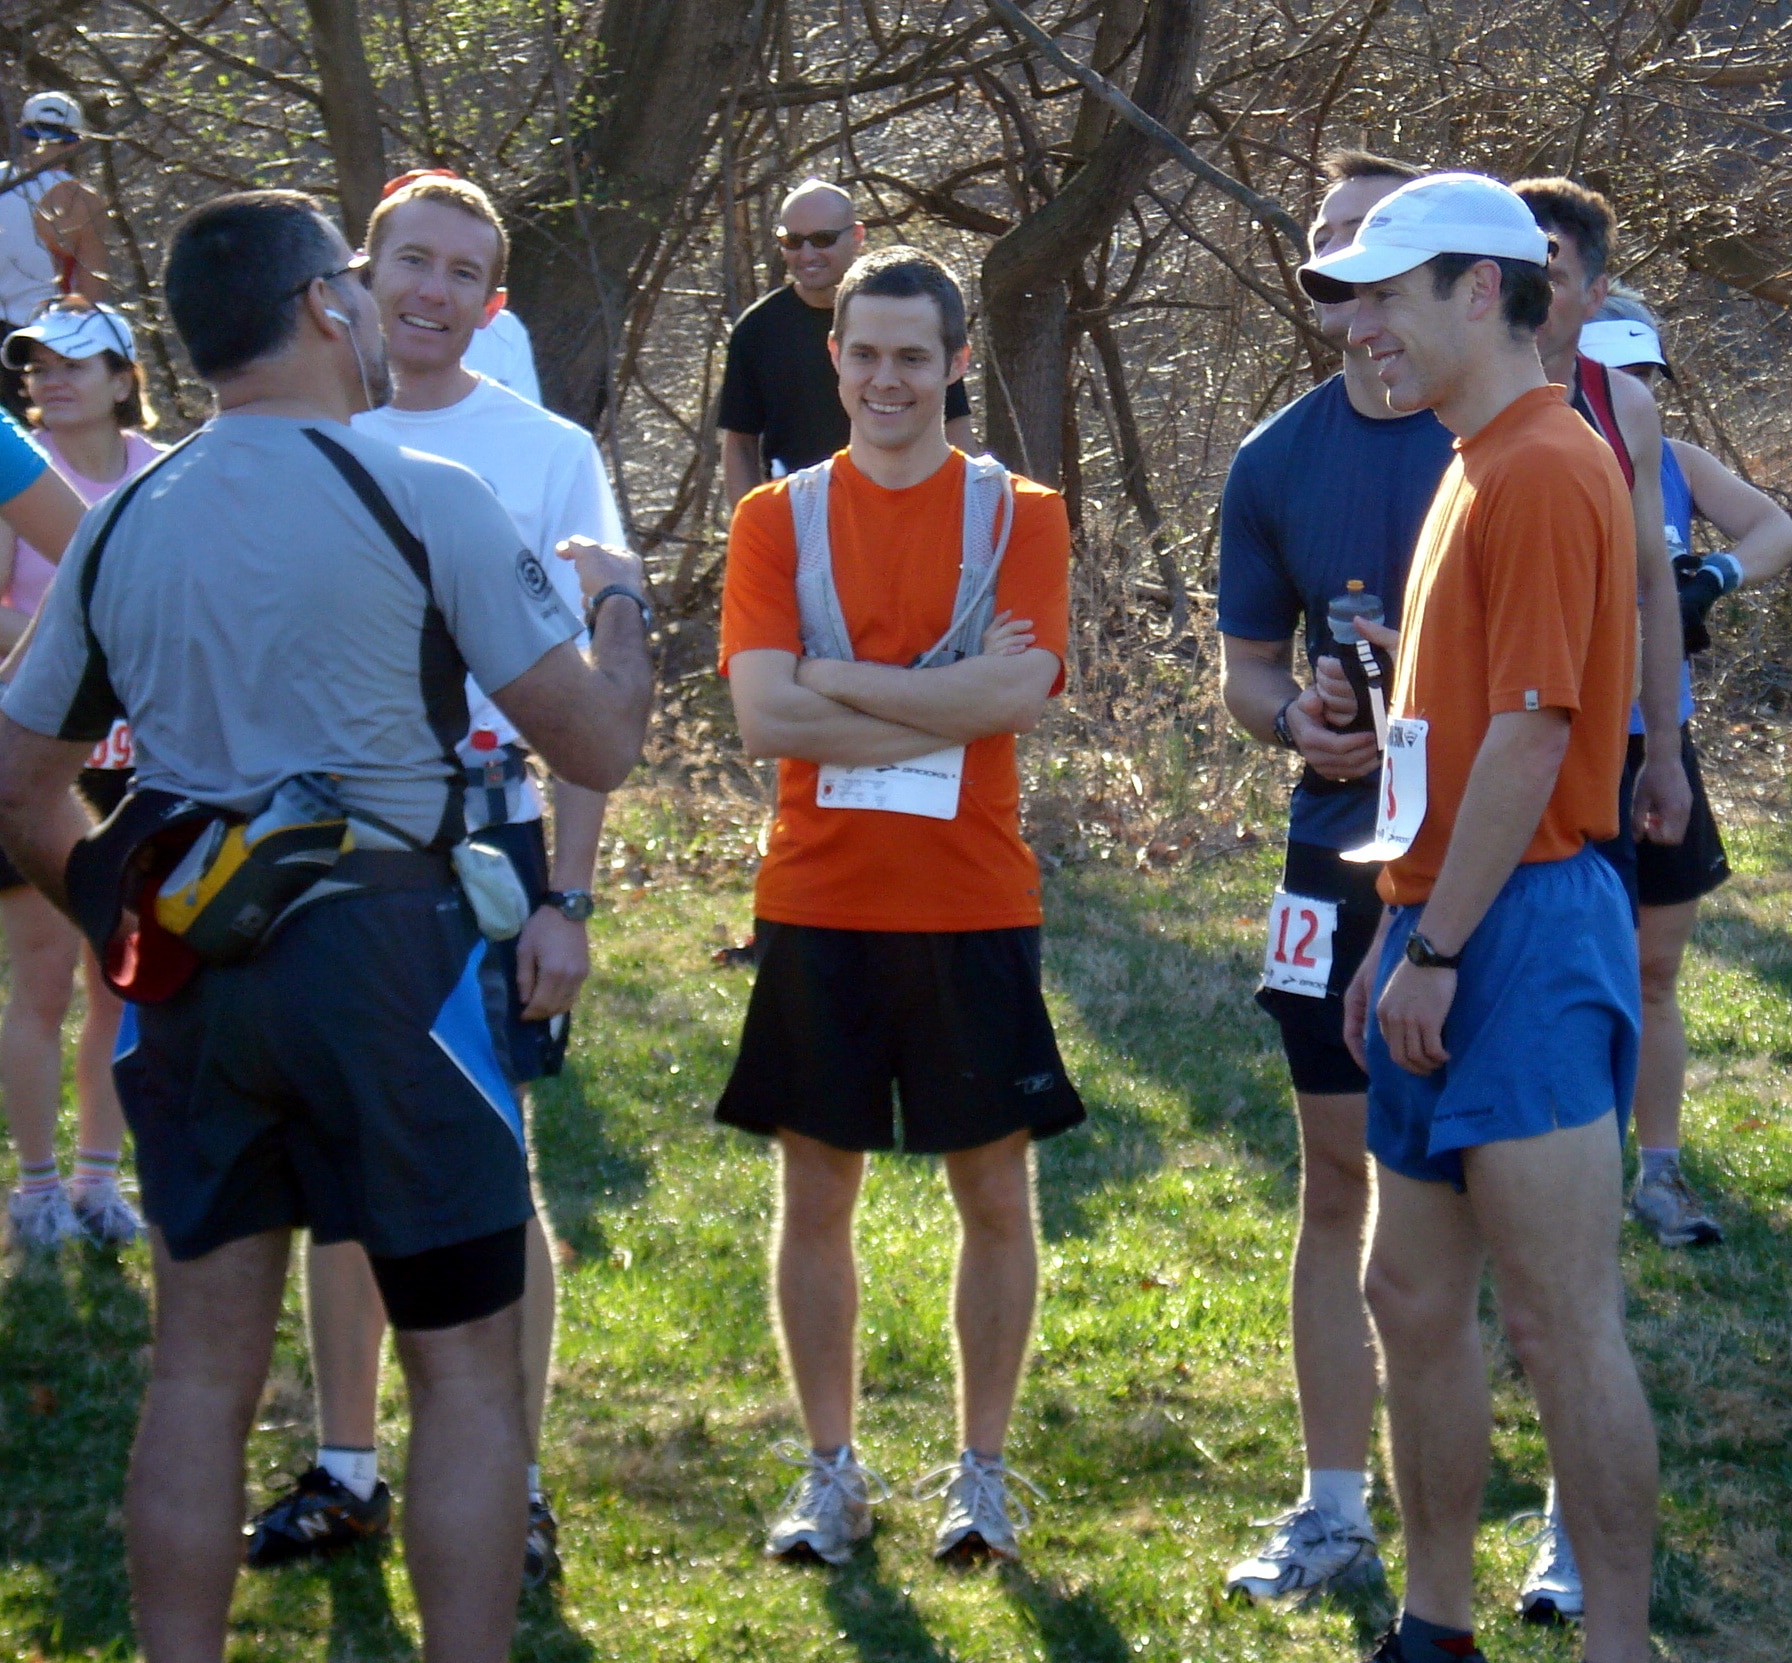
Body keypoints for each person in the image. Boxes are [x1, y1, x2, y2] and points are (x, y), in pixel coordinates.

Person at [0, 189, 652, 1663]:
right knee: (468, 1372)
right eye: (357, 286)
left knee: (199, 1372)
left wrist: (120, 902)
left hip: (199, 976)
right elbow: (596, 742)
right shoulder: (422, 490)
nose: (375, 308)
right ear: (319, 308)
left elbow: (15, 783)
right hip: (396, 964)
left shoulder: (120, 525)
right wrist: (624, 610)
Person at [240, 171, 623, 1586]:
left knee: (488, 1164)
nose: (432, 292)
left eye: (465, 272)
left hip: (483, 845)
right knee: (334, 1165)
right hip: (317, 845)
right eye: (412, 262)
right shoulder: (285, 429)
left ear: (494, 302)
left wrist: (569, 899)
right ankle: (348, 1464)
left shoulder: (547, 452)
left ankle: (509, 1477)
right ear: (355, 274)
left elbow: (588, 695)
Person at [1301, 171, 1657, 1663]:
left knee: (1557, 1317)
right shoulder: (1469, 458)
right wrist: (1404, 916)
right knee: (1406, 1287)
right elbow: (1454, 745)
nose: (1360, 324)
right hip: (1446, 907)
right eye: (1354, 298)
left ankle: (1616, 1639)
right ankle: (1433, 1624)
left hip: (1529, 921)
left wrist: (1438, 942)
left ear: (1480, 292)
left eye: (1388, 293)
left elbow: (1534, 737)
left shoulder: (1546, 464)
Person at [718, 245, 1081, 1565]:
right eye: (864, 353)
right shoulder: (773, 518)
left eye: (913, 356)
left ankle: (980, 1474)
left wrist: (837, 678)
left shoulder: (1018, 514)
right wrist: (932, 688)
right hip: (819, 895)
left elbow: (1018, 691)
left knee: (993, 1189)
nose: (886, 378)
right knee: (816, 1193)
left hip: (972, 895)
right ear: (833, 359)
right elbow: (763, 717)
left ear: (956, 364)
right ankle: (831, 1470)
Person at [1216, 148, 1455, 1605]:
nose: (1354, 286)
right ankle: (1331, 1501)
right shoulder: (1273, 458)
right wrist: (1287, 716)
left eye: (1379, 254)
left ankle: (1548, 1512)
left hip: (1492, 857)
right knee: (1336, 1174)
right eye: (1330, 258)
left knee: (1488, 1185)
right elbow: (1245, 666)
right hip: (1331, 849)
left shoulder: (1496, 432)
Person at [1582, 292, 1791, 1249]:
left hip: (1659, 743)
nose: (1629, 391)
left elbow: (1775, 526)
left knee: (1653, 970)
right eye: (1611, 371)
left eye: (1645, 375)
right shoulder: (1541, 454)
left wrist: (1715, 576)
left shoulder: (1672, 461)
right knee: (1560, 966)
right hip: (1557, 746)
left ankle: (1657, 1172)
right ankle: (1552, 1165)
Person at [0, 297, 161, 1248]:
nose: (49, 379)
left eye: (74, 363)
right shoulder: (19, 470)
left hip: (135, 769)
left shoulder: (162, 475)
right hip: (33, 761)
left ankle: (101, 1184)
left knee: (123, 972)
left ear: (123, 379)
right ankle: (34, 1190)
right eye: (36, 365)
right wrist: (88, 658)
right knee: (44, 979)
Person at [718, 178, 974, 506]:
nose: (807, 254)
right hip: (801, 514)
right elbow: (739, 442)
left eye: (822, 239)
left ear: (856, 236)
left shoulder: (908, 315)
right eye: (792, 241)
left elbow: (954, 421)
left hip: (906, 507)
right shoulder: (756, 329)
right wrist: (748, 526)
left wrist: (964, 509)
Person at [0, 94, 111, 420]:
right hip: (36, 342)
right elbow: (91, 294)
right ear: (76, 142)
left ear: (22, 133)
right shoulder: (82, 201)